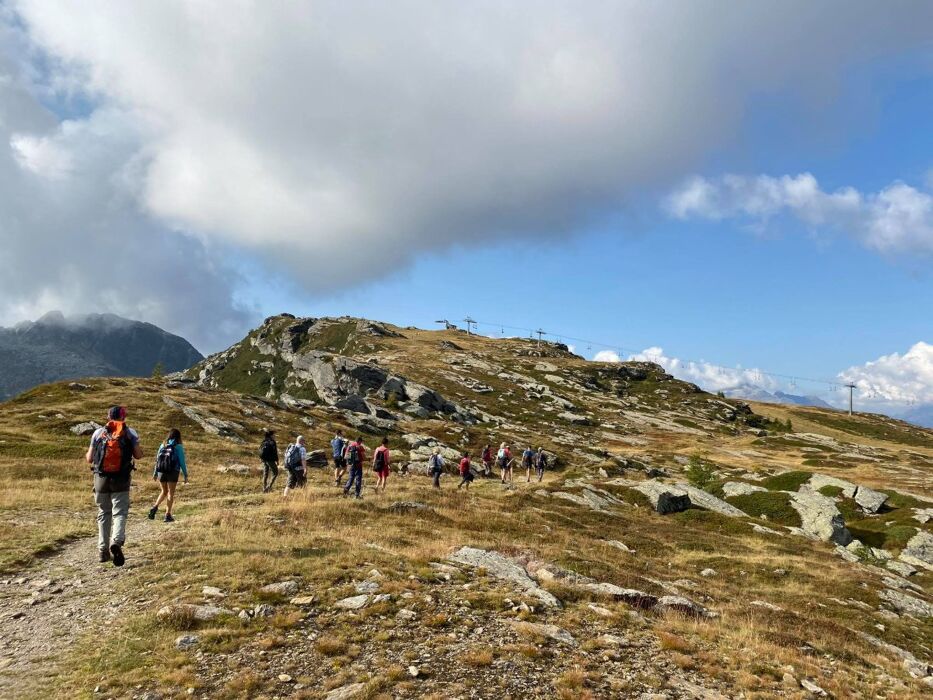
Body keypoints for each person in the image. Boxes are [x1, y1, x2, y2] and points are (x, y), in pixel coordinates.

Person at [85, 406, 142, 566]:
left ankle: (102, 551)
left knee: (103, 512)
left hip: (101, 479)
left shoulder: (98, 433)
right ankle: (116, 542)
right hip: (121, 479)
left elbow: (89, 458)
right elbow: (138, 455)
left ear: (108, 416)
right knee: (120, 512)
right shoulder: (130, 432)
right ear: (124, 417)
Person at [148, 428, 188, 522]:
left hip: (161, 471)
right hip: (173, 471)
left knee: (164, 491)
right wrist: (185, 475)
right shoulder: (178, 446)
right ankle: (167, 515)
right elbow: (182, 462)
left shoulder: (163, 445)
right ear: (178, 437)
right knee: (170, 493)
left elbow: (158, 460)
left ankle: (154, 507)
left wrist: (155, 473)